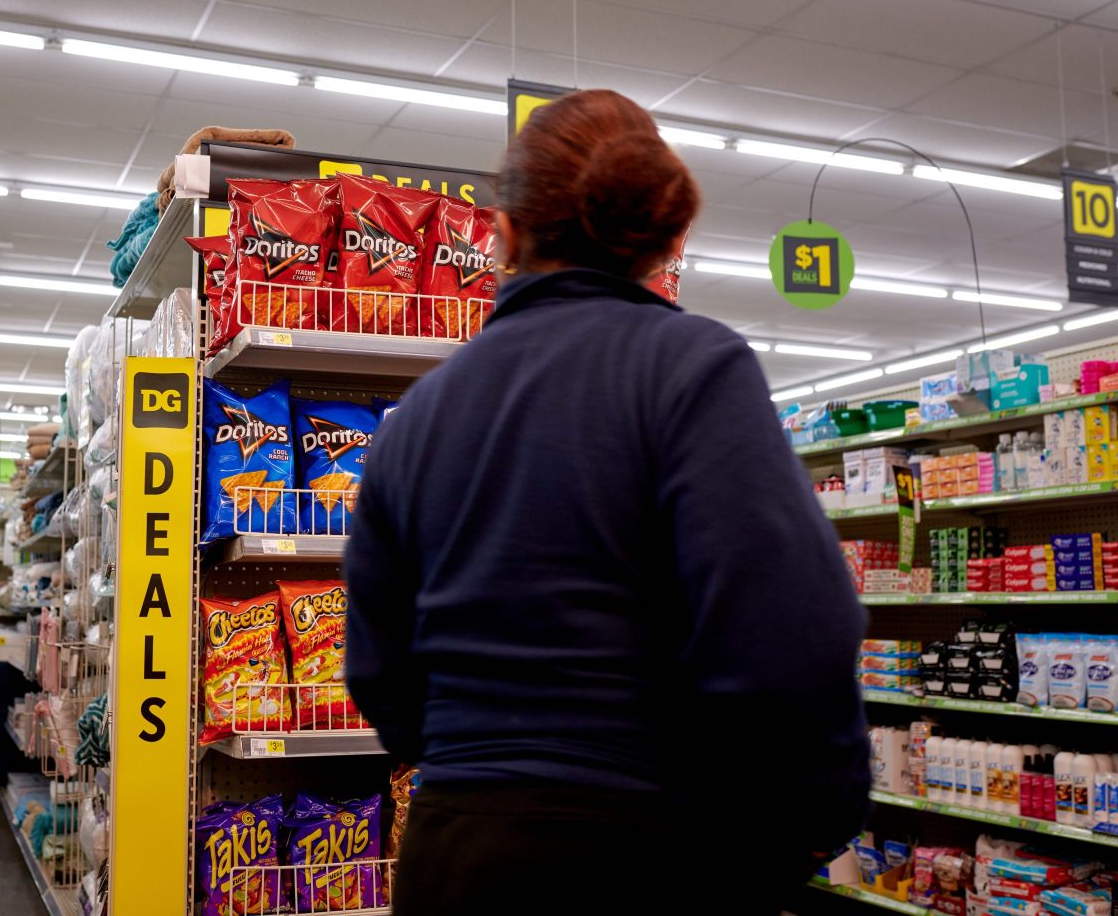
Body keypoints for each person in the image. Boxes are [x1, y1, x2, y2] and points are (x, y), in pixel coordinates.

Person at [344, 89, 870, 915]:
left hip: (453, 855)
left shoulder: (422, 415)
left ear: (507, 231)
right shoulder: (693, 369)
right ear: (662, 234)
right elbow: (793, 632)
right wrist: (809, 822)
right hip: (645, 848)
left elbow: (377, 667)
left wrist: (474, 767)